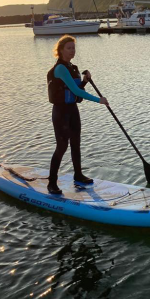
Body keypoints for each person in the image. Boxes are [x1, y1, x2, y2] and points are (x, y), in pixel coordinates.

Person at [47, 35, 108, 194]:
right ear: (60, 50)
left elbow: (77, 89)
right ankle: (52, 183)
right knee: (62, 146)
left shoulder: (72, 67)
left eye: (73, 48)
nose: (72, 51)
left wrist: (86, 80)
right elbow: (75, 91)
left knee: (76, 143)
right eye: (69, 48)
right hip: (61, 112)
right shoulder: (60, 68)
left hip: (72, 110)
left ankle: (78, 175)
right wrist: (98, 100)